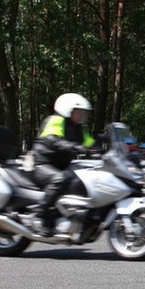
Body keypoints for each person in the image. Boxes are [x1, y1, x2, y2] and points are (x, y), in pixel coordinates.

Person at [32, 93, 96, 235]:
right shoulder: (56, 121)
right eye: (79, 112)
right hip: (43, 164)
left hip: (62, 165)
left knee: (85, 176)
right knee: (61, 178)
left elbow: (89, 144)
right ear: (68, 110)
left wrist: (104, 146)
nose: (81, 116)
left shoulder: (79, 128)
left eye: (83, 113)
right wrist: (75, 147)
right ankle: (40, 215)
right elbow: (53, 140)